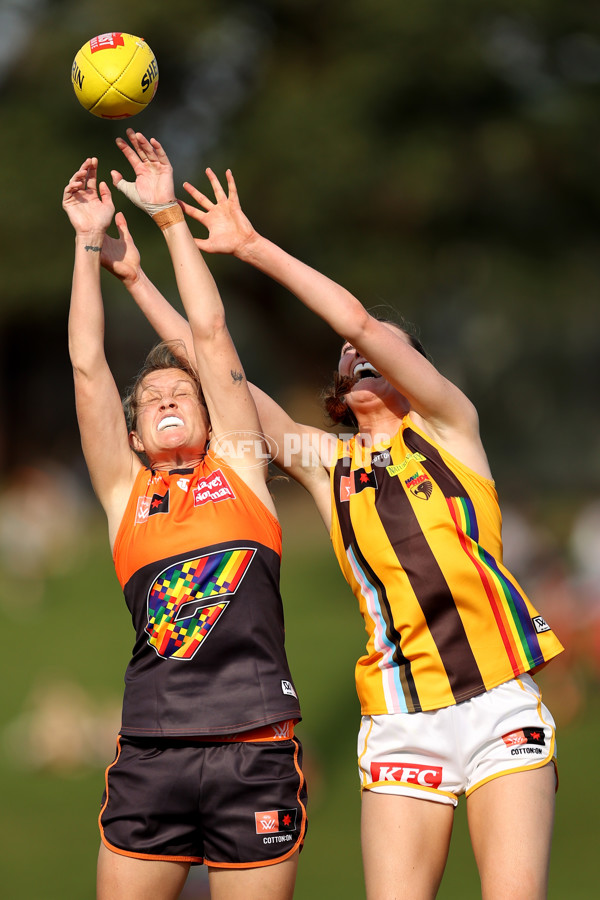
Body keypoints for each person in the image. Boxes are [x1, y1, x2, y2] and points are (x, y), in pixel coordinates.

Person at [112, 159, 565, 900]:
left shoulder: (451, 430)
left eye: (384, 349)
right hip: (399, 719)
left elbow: (353, 319)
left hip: (498, 705)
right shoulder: (327, 466)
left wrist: (252, 246)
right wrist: (136, 280)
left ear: (417, 369)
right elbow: (218, 367)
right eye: (351, 357)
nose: (361, 351)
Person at [62, 134, 307, 900]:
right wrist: (86, 242)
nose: (167, 396)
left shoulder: (240, 468)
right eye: (153, 400)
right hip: (151, 756)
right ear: (133, 436)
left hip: (256, 752)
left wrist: (168, 215)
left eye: (183, 393)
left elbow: (208, 335)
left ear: (211, 413)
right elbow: (88, 365)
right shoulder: (124, 493)